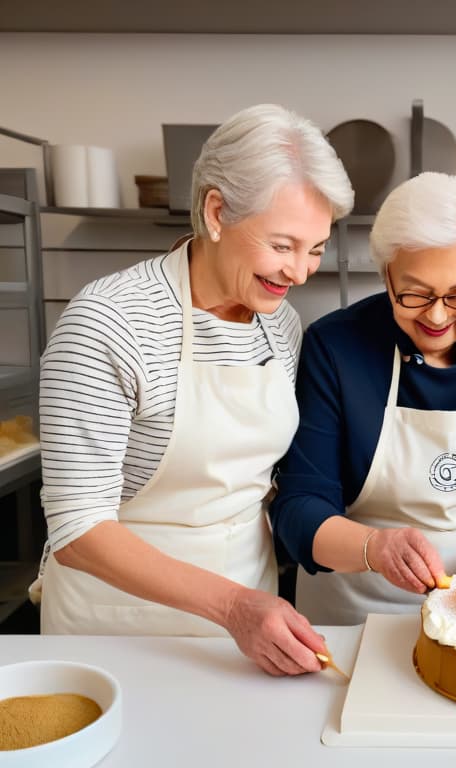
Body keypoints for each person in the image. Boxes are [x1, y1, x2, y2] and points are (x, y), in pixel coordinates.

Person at [32, 104, 354, 676]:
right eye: (283, 246)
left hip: (251, 624)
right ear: (216, 211)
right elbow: (78, 528)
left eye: (315, 248)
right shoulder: (109, 321)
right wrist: (231, 607)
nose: (301, 273)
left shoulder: (279, 324)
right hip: (119, 628)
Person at [270, 172, 456, 626]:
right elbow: (300, 507)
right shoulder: (336, 346)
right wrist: (375, 548)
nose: (437, 316)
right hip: (355, 612)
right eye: (415, 294)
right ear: (385, 272)